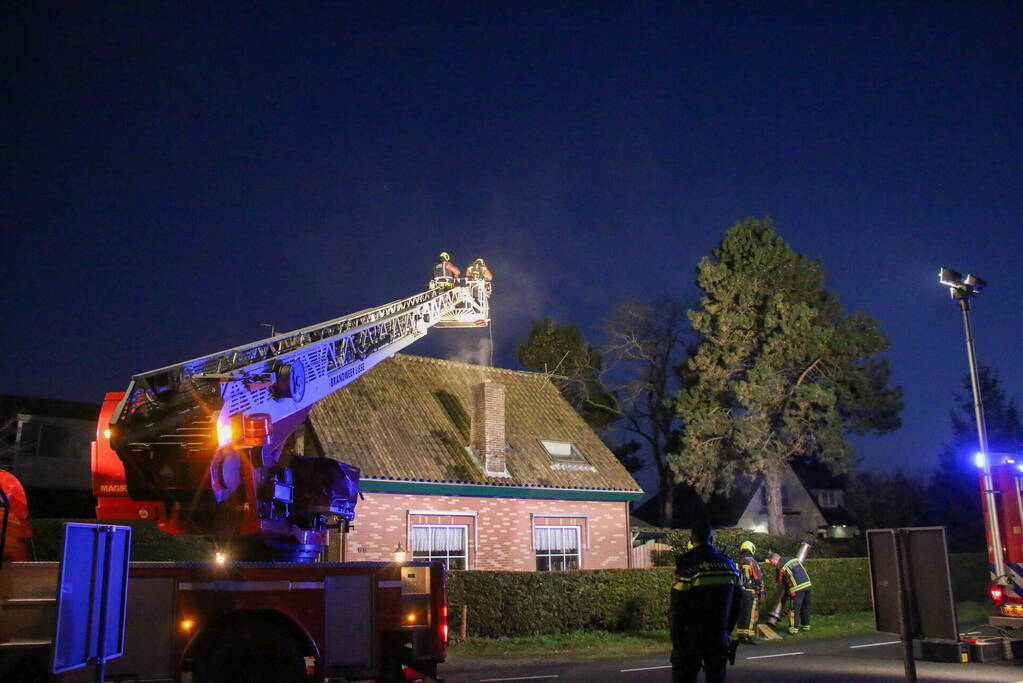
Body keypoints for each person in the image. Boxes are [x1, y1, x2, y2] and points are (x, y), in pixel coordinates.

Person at [670, 521, 741, 683]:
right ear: (712, 539)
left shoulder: (687, 565)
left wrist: (676, 639)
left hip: (690, 638)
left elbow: (677, 606)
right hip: (718, 636)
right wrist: (726, 632)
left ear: (691, 539)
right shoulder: (728, 565)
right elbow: (737, 604)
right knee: (716, 678)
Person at [767, 552, 813, 634]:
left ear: (775, 559)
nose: (772, 564)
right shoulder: (793, 558)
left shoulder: (780, 566)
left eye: (771, 562)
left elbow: (780, 582)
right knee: (805, 607)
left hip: (797, 588)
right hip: (808, 584)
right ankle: (806, 626)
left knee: (794, 609)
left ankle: (793, 629)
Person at [733, 541, 765, 643]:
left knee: (741, 614)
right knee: (750, 614)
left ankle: (740, 635)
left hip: (739, 592)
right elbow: (758, 578)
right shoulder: (751, 561)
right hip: (750, 592)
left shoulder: (737, 562)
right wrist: (761, 591)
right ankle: (749, 636)